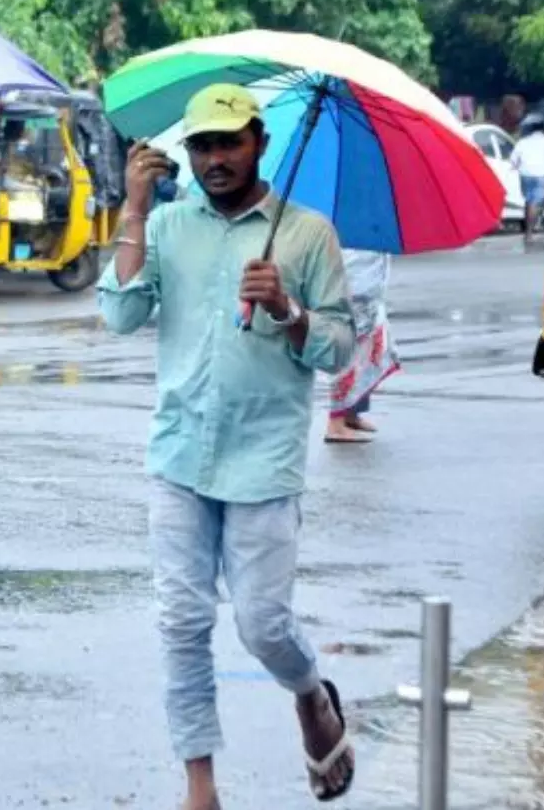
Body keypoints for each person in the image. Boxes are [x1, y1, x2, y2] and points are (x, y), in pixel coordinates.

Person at [97, 83, 358, 809]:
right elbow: (120, 313)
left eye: (229, 143)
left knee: (263, 625)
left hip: (264, 461)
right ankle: (200, 787)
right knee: (181, 622)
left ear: (259, 143)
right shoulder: (168, 225)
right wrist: (134, 209)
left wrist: (288, 308)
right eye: (202, 146)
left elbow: (341, 349)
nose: (215, 159)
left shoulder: (307, 235)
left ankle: (310, 694)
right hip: (179, 454)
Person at [325, 249, 399, 443]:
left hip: (370, 293)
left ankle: (352, 413)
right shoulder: (348, 234)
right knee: (348, 358)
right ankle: (336, 425)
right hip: (353, 293)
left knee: (368, 357)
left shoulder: (374, 235)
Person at [513, 115, 544, 235]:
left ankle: (528, 228)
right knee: (534, 202)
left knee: (529, 200)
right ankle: (529, 231)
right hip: (540, 174)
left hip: (525, 174)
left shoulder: (522, 142)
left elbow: (514, 160)